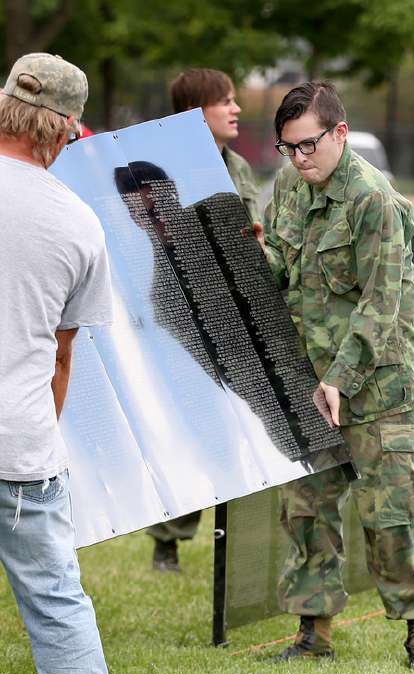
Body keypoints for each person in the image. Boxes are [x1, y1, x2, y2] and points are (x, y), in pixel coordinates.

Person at [261, 81, 414, 668]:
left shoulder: (374, 200)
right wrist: (247, 254)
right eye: (288, 147)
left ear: (339, 133)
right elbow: (282, 272)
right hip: (310, 379)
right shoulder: (292, 184)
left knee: (393, 514)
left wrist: (340, 379)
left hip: (379, 386)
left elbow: (381, 303)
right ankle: (312, 635)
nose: (299, 158)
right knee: (306, 509)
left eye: (309, 145)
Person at [0, 52, 113, 674]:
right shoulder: (78, 223)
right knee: (55, 606)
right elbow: (61, 358)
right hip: (21, 444)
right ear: (67, 129)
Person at [146, 67, 262, 572]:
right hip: (180, 315)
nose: (236, 109)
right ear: (195, 113)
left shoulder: (239, 166)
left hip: (233, 313)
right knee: (195, 422)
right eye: (226, 101)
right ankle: (168, 535)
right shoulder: (164, 168)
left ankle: (234, 534)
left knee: (240, 422)